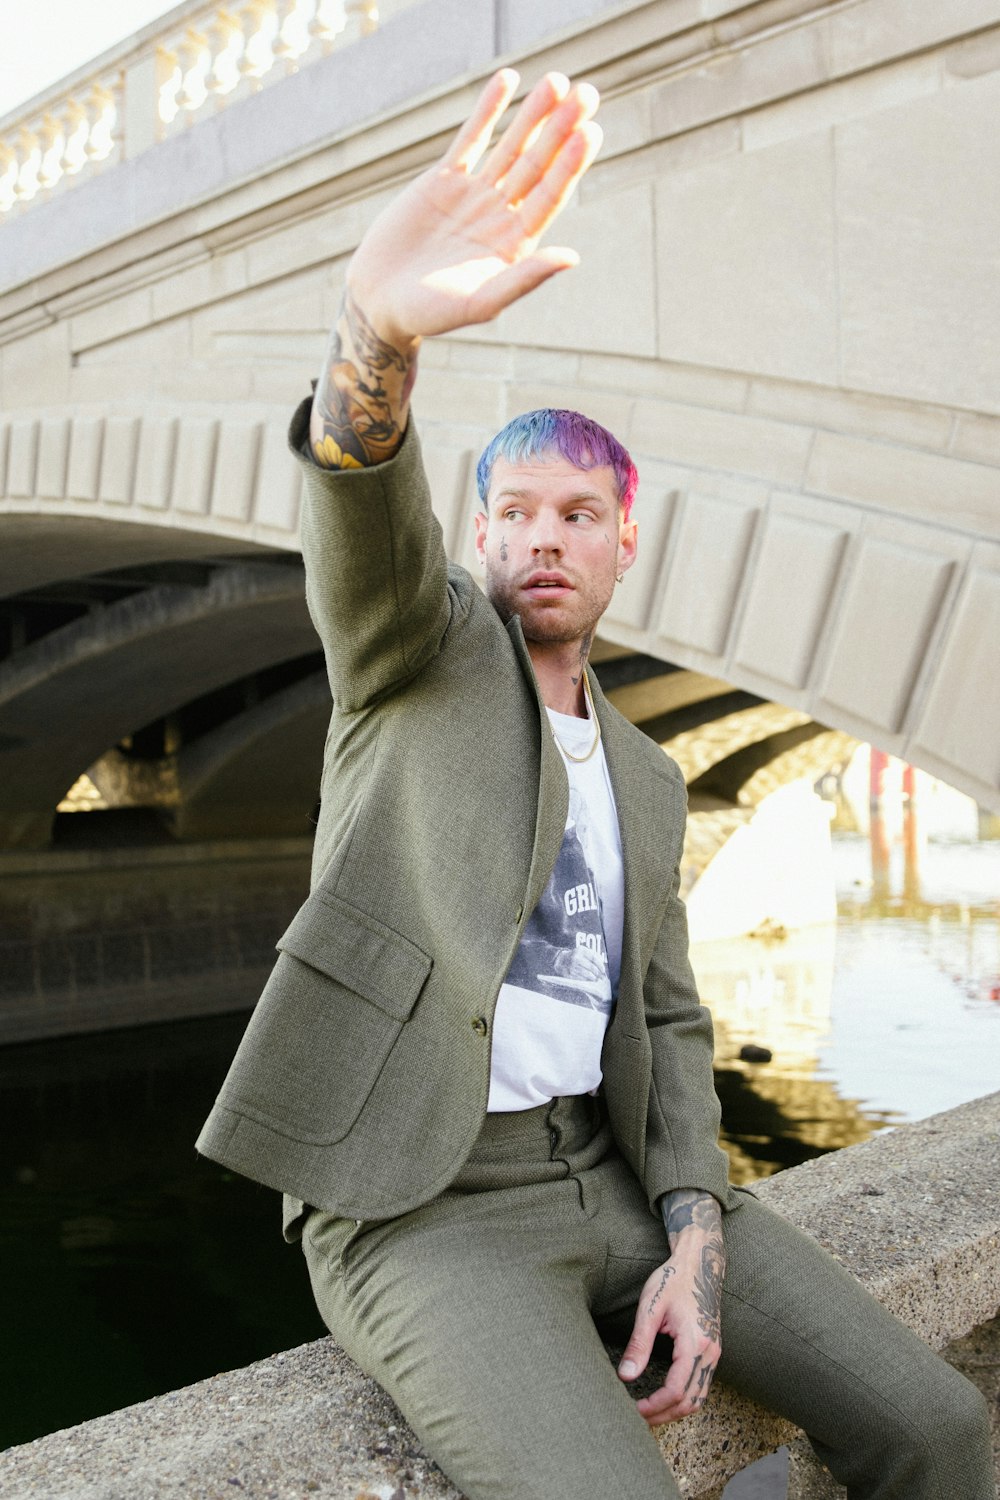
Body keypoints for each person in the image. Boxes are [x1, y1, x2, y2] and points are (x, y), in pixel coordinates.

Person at [197, 69, 994, 1500]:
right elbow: (364, 506)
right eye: (512, 512)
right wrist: (373, 336)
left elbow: (673, 1019)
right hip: (422, 1211)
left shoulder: (648, 773)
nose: (542, 538)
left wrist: (694, 1232)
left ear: (625, 545)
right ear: (480, 540)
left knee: (938, 1429)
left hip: (618, 1180)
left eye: (579, 514)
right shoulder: (417, 657)